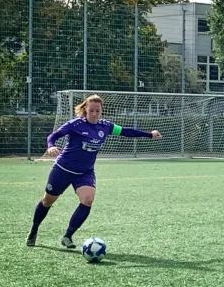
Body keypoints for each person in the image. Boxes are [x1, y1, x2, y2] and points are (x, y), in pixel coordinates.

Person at [26, 94, 161, 248]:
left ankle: (67, 236)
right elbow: (54, 135)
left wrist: (149, 135)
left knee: (87, 200)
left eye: (98, 111)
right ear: (85, 110)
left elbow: (126, 131)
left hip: (85, 172)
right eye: (92, 111)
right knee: (47, 201)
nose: (95, 114)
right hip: (63, 169)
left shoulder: (106, 126)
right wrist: (51, 145)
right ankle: (34, 230)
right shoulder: (75, 124)